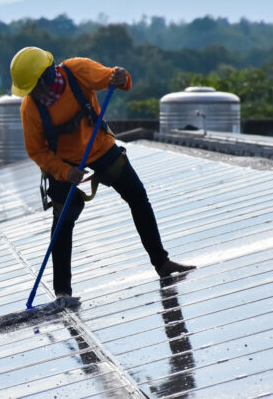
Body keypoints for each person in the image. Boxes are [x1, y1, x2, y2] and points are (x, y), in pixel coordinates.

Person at [10, 46, 195, 299]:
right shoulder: (30, 109)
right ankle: (62, 292)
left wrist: (121, 77)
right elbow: (37, 151)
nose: (33, 94)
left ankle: (161, 263)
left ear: (48, 76)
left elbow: (116, 78)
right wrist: (65, 172)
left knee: (137, 196)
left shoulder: (77, 71)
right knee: (63, 221)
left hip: (99, 147)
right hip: (65, 163)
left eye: (34, 87)